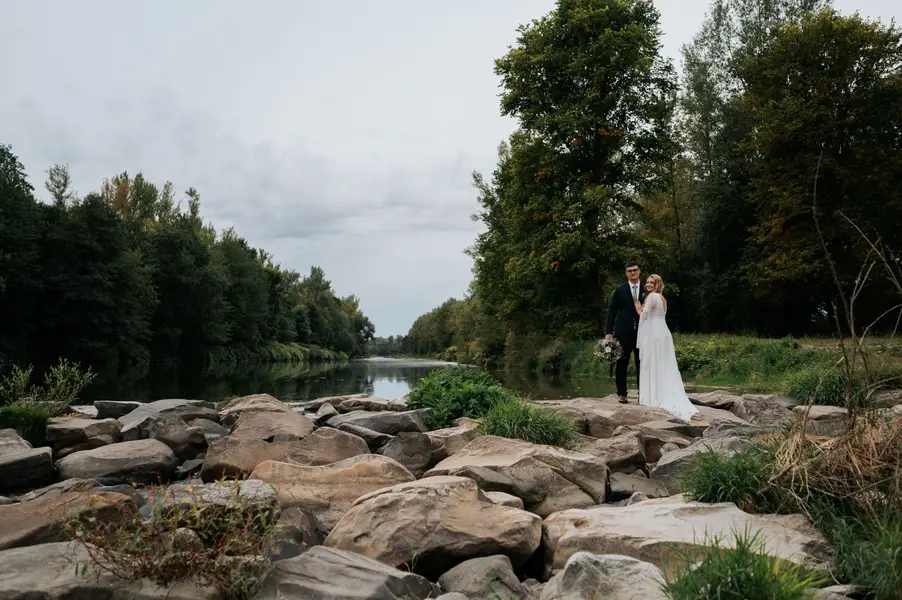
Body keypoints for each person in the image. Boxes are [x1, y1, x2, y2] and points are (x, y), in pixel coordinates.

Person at [636, 274, 698, 421]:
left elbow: (644, 316)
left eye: (652, 282)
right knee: (664, 365)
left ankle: (653, 397)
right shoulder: (663, 299)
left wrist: (638, 308)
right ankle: (662, 394)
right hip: (664, 334)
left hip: (654, 336)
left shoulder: (652, 297)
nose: (648, 284)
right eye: (647, 282)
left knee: (654, 364)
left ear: (657, 284)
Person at [605, 261, 645, 404]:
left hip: (643, 332)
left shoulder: (647, 289)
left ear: (639, 271)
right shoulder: (619, 290)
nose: (633, 273)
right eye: (630, 271)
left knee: (642, 363)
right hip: (623, 332)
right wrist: (608, 332)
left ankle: (643, 393)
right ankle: (622, 393)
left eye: (635, 270)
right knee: (622, 363)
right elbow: (611, 311)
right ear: (626, 273)